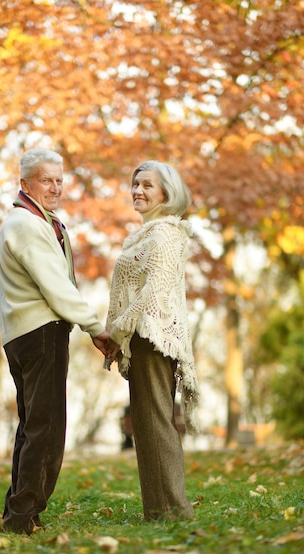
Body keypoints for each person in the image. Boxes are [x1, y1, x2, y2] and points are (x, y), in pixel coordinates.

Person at [0, 147, 109, 535]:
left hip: (25, 333)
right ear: (24, 183)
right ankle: (22, 518)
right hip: (40, 331)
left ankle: (19, 513)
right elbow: (56, 286)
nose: (56, 187)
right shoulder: (27, 224)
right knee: (46, 428)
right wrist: (95, 327)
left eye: (59, 180)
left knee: (32, 426)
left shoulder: (35, 222)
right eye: (47, 179)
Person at [105, 160, 200, 521]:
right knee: (147, 424)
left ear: (166, 193)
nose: (137, 191)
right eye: (135, 184)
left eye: (147, 185)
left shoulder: (164, 234)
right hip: (143, 336)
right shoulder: (146, 234)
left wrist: (116, 333)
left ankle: (173, 510)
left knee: (155, 422)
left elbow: (152, 292)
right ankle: (160, 509)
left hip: (152, 337)